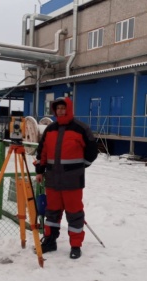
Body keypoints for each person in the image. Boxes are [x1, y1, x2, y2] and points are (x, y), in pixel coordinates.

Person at [34, 97, 98, 259]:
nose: (61, 111)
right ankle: (50, 241)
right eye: (58, 109)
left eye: (63, 108)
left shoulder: (81, 128)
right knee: (52, 213)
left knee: (74, 213)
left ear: (69, 109)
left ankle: (75, 246)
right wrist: (40, 170)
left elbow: (92, 151)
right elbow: (42, 152)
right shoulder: (50, 130)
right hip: (53, 180)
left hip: (73, 181)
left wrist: (79, 167)